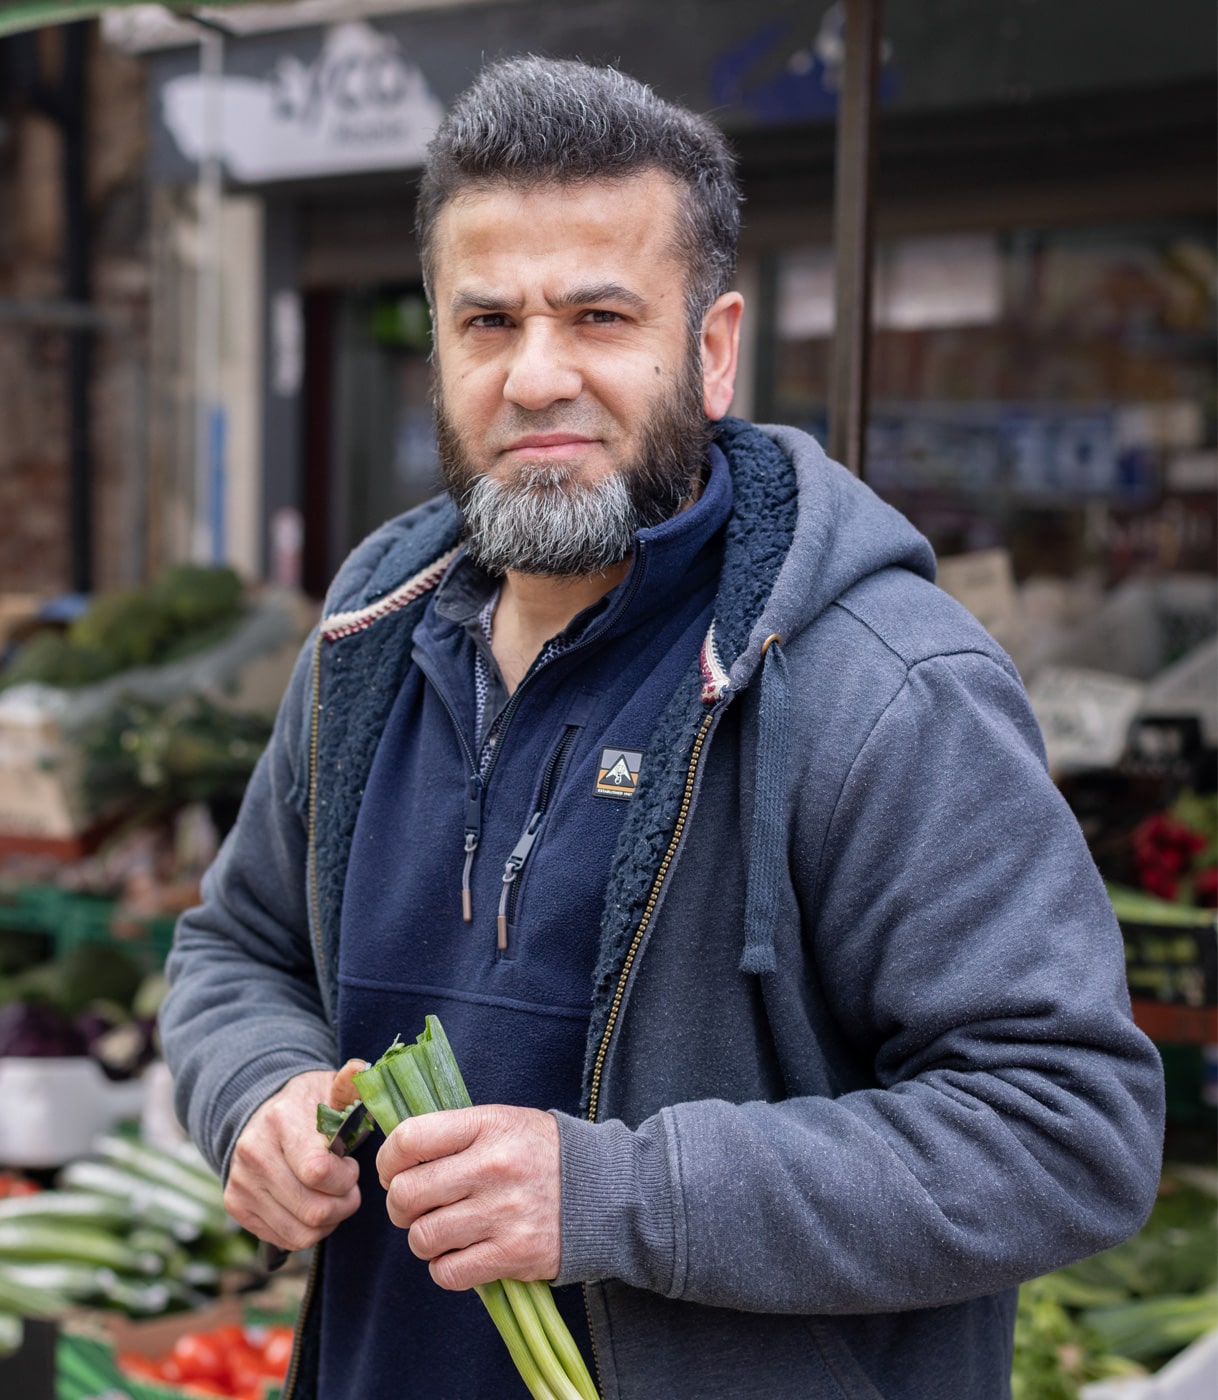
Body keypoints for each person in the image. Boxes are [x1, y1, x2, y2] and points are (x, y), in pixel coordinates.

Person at [160, 57, 1165, 1400]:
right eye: (485, 322)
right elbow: (237, 949)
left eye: (596, 315)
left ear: (709, 347)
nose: (533, 377)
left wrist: (616, 1194)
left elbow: (1067, 1136)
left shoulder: (883, 687)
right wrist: (257, 1092)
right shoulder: (369, 637)